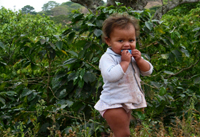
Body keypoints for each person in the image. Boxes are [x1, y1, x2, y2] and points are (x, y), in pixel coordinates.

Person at [94, 13, 153, 137]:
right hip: (112, 103)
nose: (127, 44)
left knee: (122, 133)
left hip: (125, 102)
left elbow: (148, 71)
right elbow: (111, 76)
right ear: (108, 41)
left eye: (131, 40)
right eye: (120, 40)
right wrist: (125, 62)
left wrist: (140, 60)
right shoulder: (107, 58)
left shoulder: (132, 56)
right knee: (123, 134)